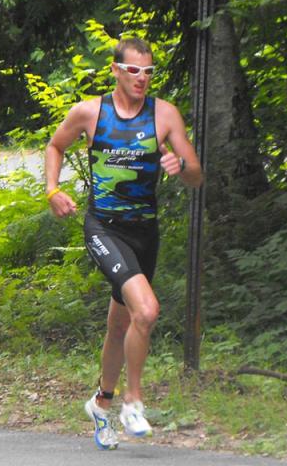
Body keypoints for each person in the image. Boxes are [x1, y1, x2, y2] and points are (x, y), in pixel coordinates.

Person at [44, 37, 203, 450]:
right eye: (134, 71)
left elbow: (196, 175)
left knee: (120, 326)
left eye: (148, 72)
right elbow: (55, 145)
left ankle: (101, 404)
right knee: (146, 311)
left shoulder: (164, 115)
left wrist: (180, 164)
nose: (142, 79)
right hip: (104, 228)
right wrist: (52, 189)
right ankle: (133, 401)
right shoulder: (90, 112)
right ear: (116, 70)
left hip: (144, 232)